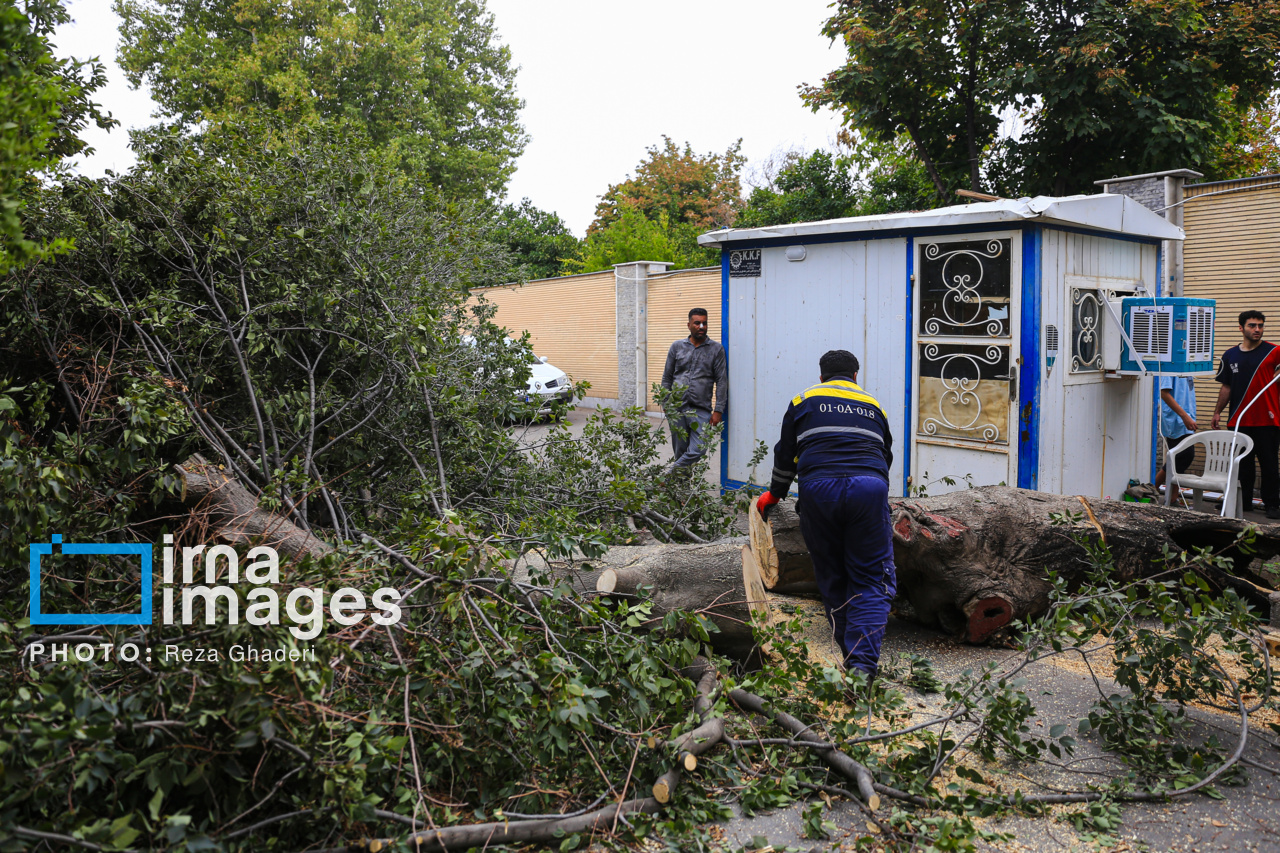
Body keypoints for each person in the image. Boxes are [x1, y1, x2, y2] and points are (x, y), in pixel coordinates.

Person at [754, 350, 896, 676]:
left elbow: (785, 455)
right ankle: (862, 666)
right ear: (855, 376)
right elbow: (884, 457)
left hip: (818, 491)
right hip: (868, 489)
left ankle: (851, 656)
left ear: (822, 378)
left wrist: (773, 495)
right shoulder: (874, 405)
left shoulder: (803, 399)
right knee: (872, 580)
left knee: (832, 577)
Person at [1210, 310, 1280, 519]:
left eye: (1260, 325)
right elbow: (1226, 387)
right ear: (1241, 328)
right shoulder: (1230, 355)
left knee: (1269, 464)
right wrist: (1217, 412)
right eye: (1252, 325)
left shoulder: (1274, 352)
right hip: (1239, 420)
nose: (1257, 329)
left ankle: (1272, 504)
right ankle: (1244, 501)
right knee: (1242, 465)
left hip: (1268, 420)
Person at [660, 307, 727, 471]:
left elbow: (722, 380)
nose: (701, 326)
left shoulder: (716, 350)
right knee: (681, 452)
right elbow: (667, 378)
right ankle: (682, 493)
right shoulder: (677, 347)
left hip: (701, 409)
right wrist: (667, 405)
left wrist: (718, 410)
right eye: (697, 323)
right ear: (689, 324)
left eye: (704, 323)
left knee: (698, 449)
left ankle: (668, 476)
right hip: (677, 408)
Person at [1154, 375, 1197, 493]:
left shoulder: (1187, 364)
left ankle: (1172, 498)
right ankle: (1152, 489)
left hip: (1186, 416)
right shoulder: (1170, 366)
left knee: (1179, 460)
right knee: (1183, 456)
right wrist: (1184, 416)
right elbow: (1163, 393)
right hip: (1176, 419)